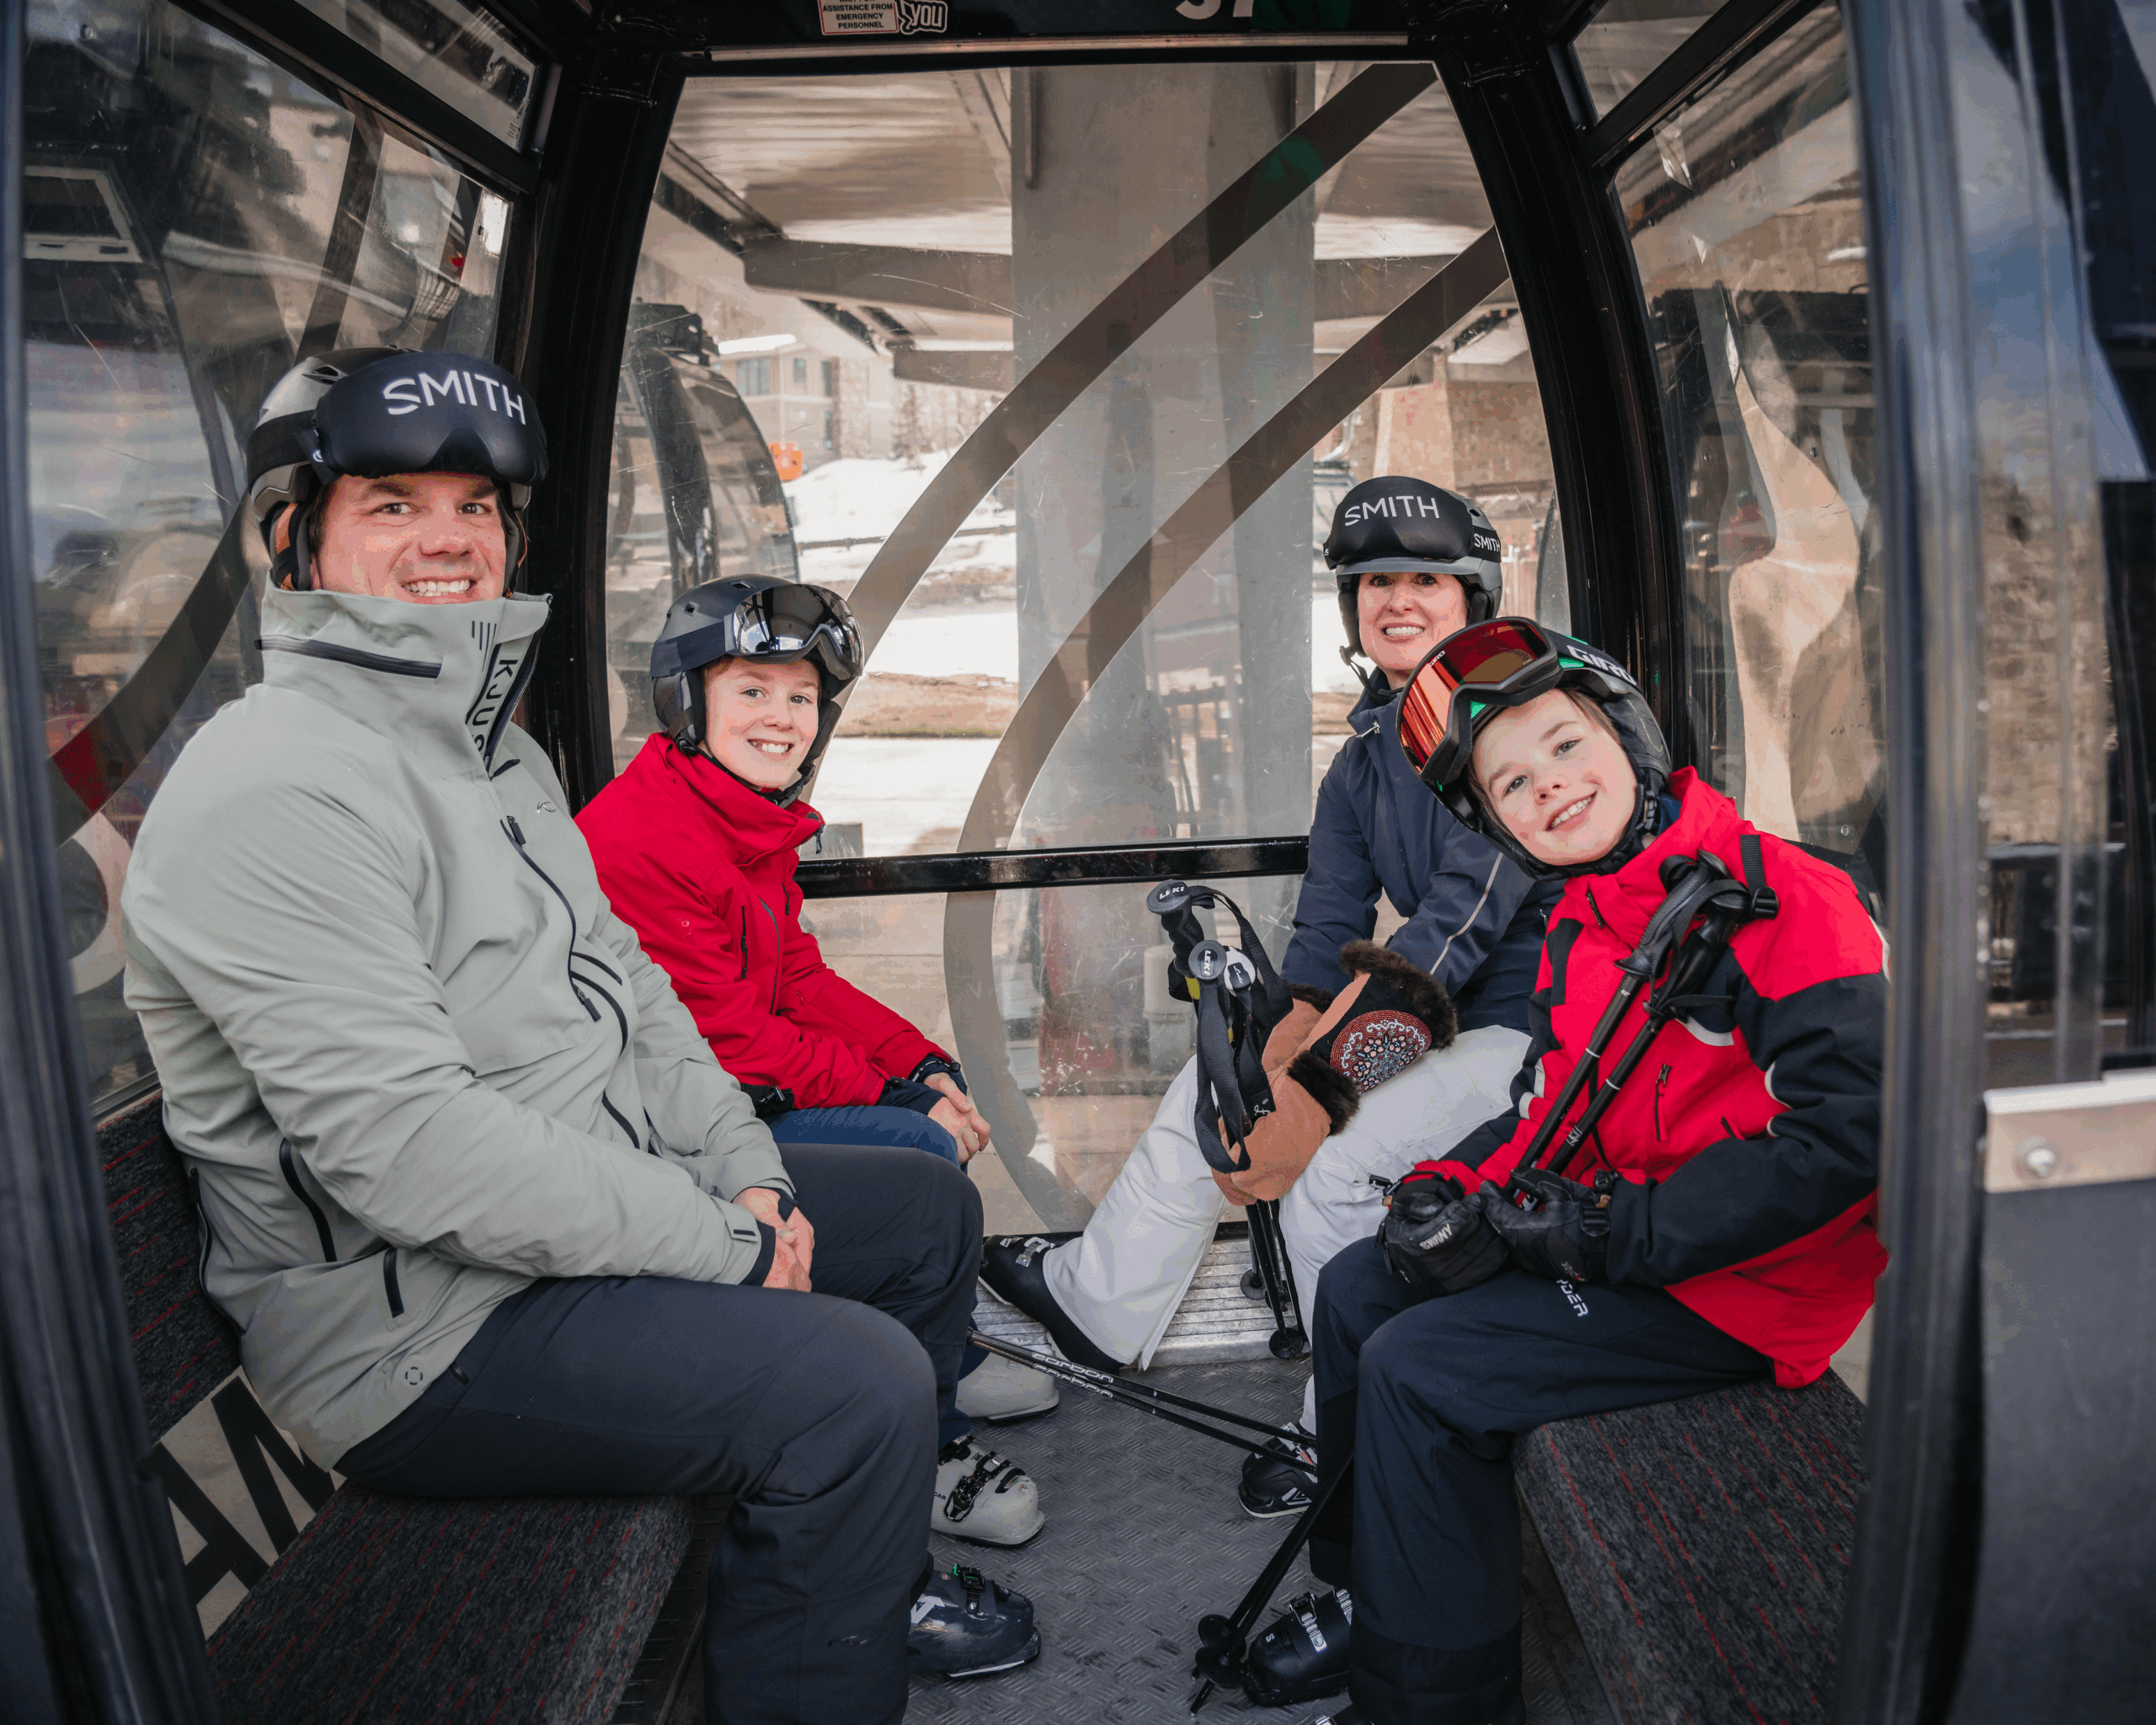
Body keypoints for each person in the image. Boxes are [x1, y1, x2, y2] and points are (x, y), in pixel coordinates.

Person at [119, 348, 1038, 1725]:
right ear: (297, 538)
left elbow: (630, 997)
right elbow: (409, 1153)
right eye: (392, 501)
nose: (447, 537)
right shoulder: (277, 784)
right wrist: (723, 1238)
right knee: (853, 1389)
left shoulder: (493, 754)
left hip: (559, 1227)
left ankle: (837, 1570)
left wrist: (747, 1168)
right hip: (416, 1333)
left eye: (478, 507)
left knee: (911, 1203)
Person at [1259, 619, 1886, 1723]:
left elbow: (1850, 1144)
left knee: (1424, 1369)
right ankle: (1371, 1592)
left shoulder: (1779, 899)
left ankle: (1433, 1701)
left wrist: (1610, 1234)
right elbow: (1545, 1104)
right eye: (1511, 783)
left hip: (1747, 1293)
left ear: (1624, 731)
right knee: (1364, 1282)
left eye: (1563, 745)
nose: (1547, 786)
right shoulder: (1589, 922)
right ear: (1493, 821)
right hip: (1630, 1242)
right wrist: (1455, 1188)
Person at [980, 477, 1562, 1516]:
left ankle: (1332, 1421)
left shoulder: (1515, 724)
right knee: (1218, 1094)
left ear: (1472, 598)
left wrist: (1326, 1080)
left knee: (1333, 1164)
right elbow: (1327, 932)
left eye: (1424, 579)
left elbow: (1459, 922)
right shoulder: (1365, 762)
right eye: (1375, 580)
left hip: (1529, 1031)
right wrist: (1265, 1047)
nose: (1396, 601)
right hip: (1435, 1016)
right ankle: (1094, 1304)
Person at [577, 576, 1054, 1546]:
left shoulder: (742, 819)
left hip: (733, 1099)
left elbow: (799, 977)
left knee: (925, 1123)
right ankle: (925, 1441)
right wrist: (895, 1095)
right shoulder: (643, 837)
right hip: (671, 1134)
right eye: (751, 689)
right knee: (917, 1158)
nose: (782, 717)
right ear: (687, 700)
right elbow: (728, 1038)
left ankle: (938, 1355)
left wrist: (919, 1059)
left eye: (799, 696)